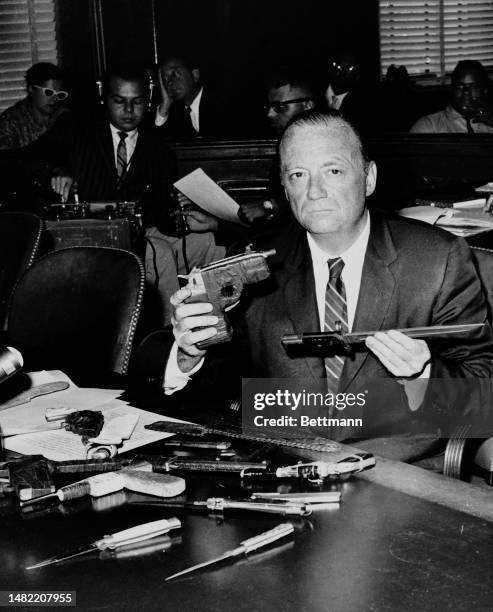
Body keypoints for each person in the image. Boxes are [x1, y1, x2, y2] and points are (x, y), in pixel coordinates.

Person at [147, 109, 493, 459]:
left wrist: (424, 374)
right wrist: (191, 355)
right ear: (284, 186)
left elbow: (484, 391)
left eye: (334, 171)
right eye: (298, 174)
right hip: (284, 471)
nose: (315, 191)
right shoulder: (251, 265)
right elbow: (218, 391)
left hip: (403, 475)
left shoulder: (437, 259)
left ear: (369, 178)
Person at [50, 64, 224, 326]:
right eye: (119, 101)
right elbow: (23, 159)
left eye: (138, 102)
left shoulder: (158, 148)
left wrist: (179, 206)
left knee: (210, 242)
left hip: (143, 228)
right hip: (93, 235)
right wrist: (57, 169)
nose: (129, 111)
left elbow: (160, 208)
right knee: (160, 254)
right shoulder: (76, 131)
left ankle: (213, 326)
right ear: (104, 98)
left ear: (148, 101)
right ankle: (167, 334)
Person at [154, 55, 231, 139]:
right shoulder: (175, 112)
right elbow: (157, 145)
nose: (169, 82)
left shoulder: (224, 102)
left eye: (175, 74)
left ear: (195, 75)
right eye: (165, 79)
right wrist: (165, 104)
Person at [411, 60, 493, 134]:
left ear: (484, 90)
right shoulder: (429, 126)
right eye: (460, 86)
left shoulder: (490, 124)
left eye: (473, 87)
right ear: (452, 89)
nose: (466, 91)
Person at [0, 62, 69, 150]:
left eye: (60, 94)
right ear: (31, 89)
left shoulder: (63, 117)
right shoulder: (10, 121)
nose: (55, 98)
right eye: (49, 92)